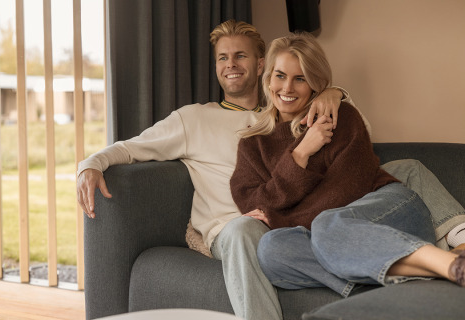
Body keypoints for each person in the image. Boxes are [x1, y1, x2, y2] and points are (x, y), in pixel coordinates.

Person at [77, 20, 465, 320]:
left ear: (259, 64)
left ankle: (445, 250)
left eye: (241, 56)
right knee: (262, 238)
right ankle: (416, 265)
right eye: (222, 58)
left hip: (306, 217)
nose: (231, 65)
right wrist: (92, 164)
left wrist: (334, 94)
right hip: (253, 224)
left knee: (403, 169)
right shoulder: (198, 120)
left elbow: (356, 153)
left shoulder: (314, 113)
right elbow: (132, 147)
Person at [229, 33, 465, 298]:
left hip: (389, 212)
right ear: (268, 78)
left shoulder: (341, 117)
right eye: (280, 75)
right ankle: (425, 272)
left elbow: (347, 191)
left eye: (301, 78)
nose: (287, 88)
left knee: (328, 224)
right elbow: (251, 202)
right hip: (337, 243)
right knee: (272, 249)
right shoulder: (252, 144)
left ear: (316, 84)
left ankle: (450, 262)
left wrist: (280, 216)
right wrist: (301, 153)